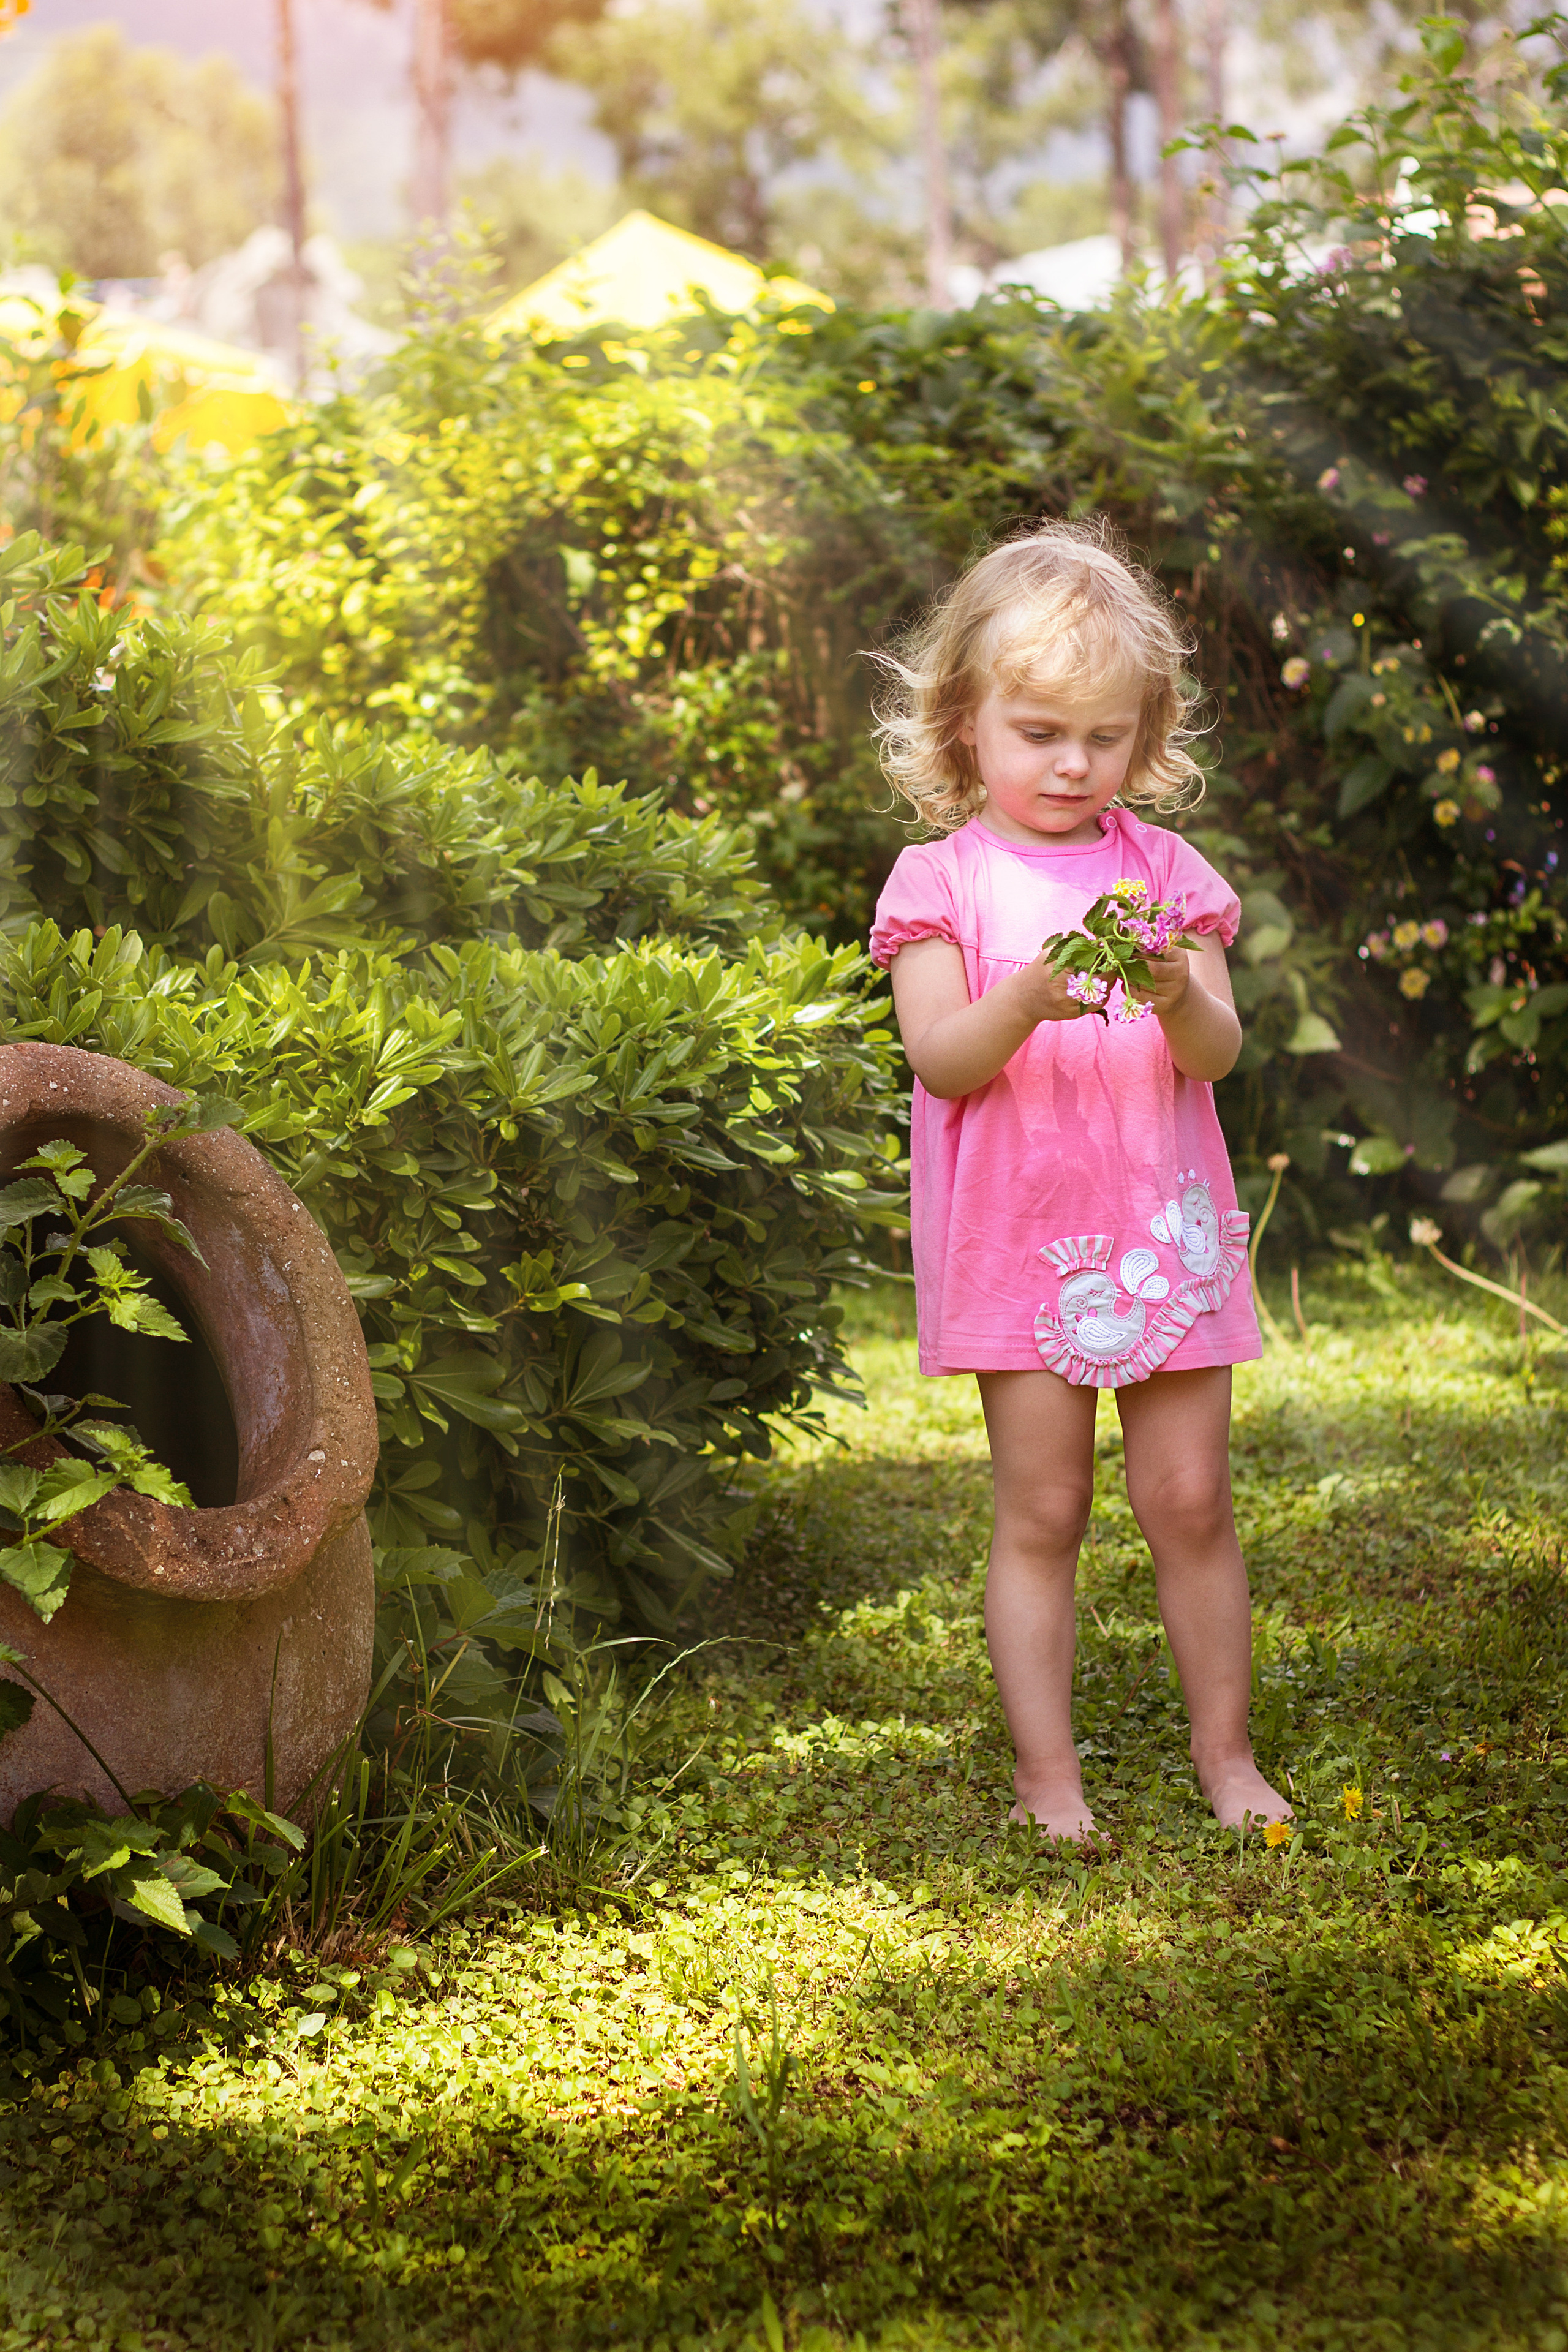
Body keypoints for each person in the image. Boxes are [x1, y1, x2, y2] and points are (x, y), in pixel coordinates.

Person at [868, 519, 1291, 1843]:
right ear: (963, 724)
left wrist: (1172, 991)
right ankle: (1048, 1778)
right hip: (1020, 1242)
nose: (1070, 763)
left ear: (1143, 735)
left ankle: (1223, 1756)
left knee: (1189, 1501)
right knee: (1043, 1507)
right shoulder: (939, 883)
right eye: (1039, 730)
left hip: (1158, 1235)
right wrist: (1028, 995)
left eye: (1102, 738)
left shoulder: (1164, 877)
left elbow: (1217, 1050)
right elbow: (940, 1061)